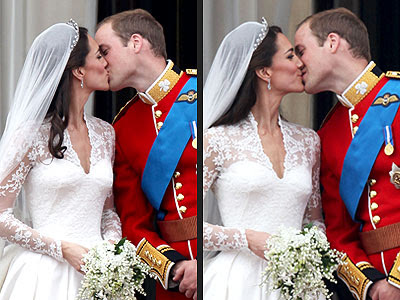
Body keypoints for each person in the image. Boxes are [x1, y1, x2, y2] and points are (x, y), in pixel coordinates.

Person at [203, 19, 325, 300]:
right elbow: (191, 223)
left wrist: (307, 252)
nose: (300, 64)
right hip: (236, 283)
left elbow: (314, 220)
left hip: (298, 284)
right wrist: (247, 239)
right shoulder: (217, 140)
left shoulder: (309, 142)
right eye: (291, 55)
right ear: (264, 71)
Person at [0, 20, 122, 299]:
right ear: (79, 70)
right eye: (99, 56)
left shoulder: (106, 133)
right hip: (44, 274)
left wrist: (112, 248)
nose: (106, 63)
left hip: (97, 275)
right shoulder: (30, 135)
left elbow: (107, 212)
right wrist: (61, 248)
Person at [295, 7, 400, 300]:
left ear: (332, 42)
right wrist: (373, 284)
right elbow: (339, 232)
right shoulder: (328, 133)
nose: (297, 64)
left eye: (301, 50)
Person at [95, 9, 197, 300]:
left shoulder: (202, 94)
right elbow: (133, 223)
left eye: (105, 51)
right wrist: (176, 268)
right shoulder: (123, 127)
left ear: (136, 43)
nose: (101, 62)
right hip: (180, 282)